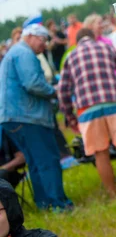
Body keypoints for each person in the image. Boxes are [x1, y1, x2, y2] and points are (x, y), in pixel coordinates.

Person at [58, 28, 116, 198]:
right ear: (93, 37)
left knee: (100, 153)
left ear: (77, 41)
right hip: (115, 104)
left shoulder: (71, 57)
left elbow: (63, 91)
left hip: (87, 110)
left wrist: (71, 118)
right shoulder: (106, 48)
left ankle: (113, 195)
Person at [0, 24, 72, 210]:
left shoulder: (15, 52)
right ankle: (58, 204)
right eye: (43, 39)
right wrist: (53, 91)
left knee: (35, 161)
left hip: (14, 118)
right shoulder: (24, 53)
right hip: (29, 116)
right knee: (48, 159)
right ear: (31, 36)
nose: (45, 44)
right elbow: (33, 84)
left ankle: (44, 203)